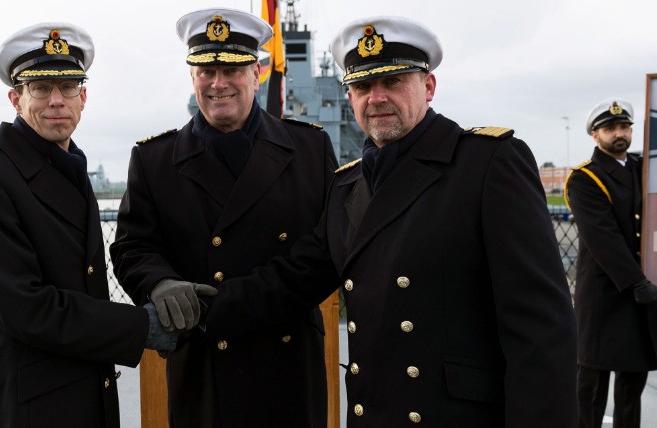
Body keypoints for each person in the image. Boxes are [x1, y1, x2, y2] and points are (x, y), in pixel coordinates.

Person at [199, 16, 579, 427]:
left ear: (428, 86)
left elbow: (541, 328)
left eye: (393, 81)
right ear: (350, 98)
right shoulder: (348, 186)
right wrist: (194, 311)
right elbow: (294, 279)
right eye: (362, 86)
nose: (376, 98)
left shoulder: (486, 164)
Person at [109, 7, 337, 427]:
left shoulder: (309, 150)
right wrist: (159, 282)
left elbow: (325, 254)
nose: (218, 83)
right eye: (206, 71)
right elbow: (131, 246)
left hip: (286, 365)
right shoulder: (154, 160)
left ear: (256, 73)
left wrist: (222, 306)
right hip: (203, 368)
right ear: (192, 76)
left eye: (232, 69)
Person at [0, 22, 177, 428]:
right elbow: (24, 307)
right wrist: (141, 327)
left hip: (86, 390)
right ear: (16, 99)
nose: (56, 100)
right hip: (29, 405)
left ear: (83, 98)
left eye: (68, 87)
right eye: (40, 88)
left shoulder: (67, 165)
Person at [564, 98, 657, 428]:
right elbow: (602, 238)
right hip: (605, 294)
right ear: (595, 135)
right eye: (610, 128)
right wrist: (637, 282)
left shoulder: (644, 170)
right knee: (590, 386)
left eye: (624, 127)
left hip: (642, 292)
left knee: (631, 385)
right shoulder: (585, 178)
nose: (619, 133)